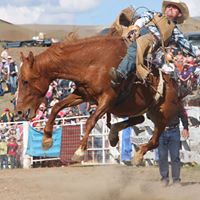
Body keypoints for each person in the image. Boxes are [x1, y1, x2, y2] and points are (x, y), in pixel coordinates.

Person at [110, 0, 200, 87]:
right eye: (169, 6)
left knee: (137, 48)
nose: (170, 8)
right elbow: (144, 18)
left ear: (179, 14)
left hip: (154, 46)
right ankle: (118, 73)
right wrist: (137, 26)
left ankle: (121, 74)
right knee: (124, 45)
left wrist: (198, 53)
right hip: (140, 33)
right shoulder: (154, 14)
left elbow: (187, 45)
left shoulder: (175, 31)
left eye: (174, 8)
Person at [158, 105, 189, 186]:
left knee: (175, 156)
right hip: (160, 131)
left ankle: (176, 180)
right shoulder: (157, 102)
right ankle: (164, 179)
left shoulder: (176, 102)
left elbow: (183, 114)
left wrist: (185, 128)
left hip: (174, 130)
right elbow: (149, 115)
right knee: (162, 156)